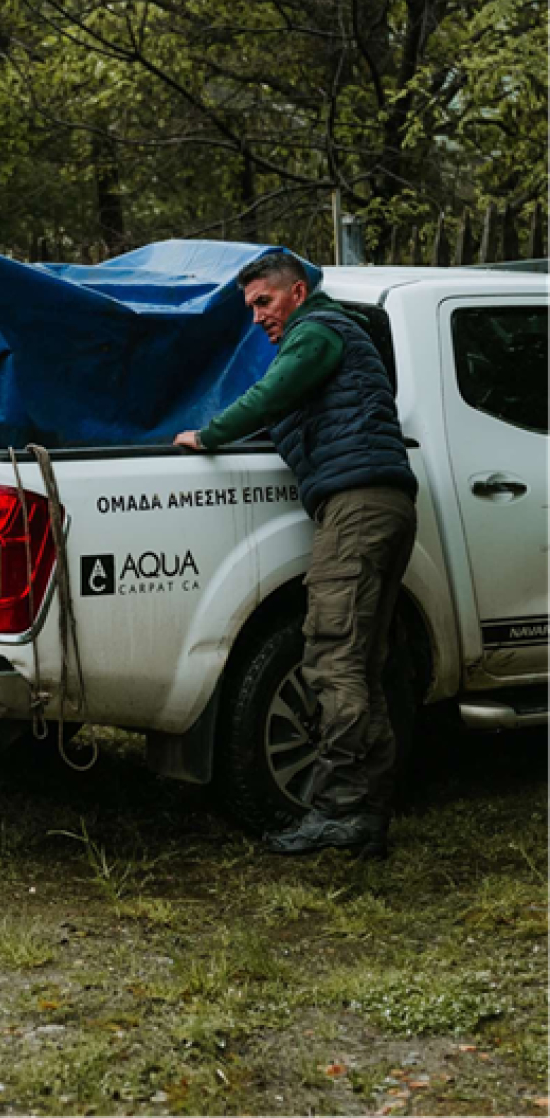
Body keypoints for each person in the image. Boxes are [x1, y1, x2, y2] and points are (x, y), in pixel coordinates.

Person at [174, 251, 418, 858]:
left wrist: (208, 434)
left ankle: (339, 810)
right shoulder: (334, 342)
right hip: (380, 502)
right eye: (251, 306)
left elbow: (270, 394)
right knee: (360, 662)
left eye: (264, 302)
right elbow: (286, 414)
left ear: (298, 291)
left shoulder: (319, 332)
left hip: (357, 506)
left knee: (332, 657)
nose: (257, 317)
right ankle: (366, 813)